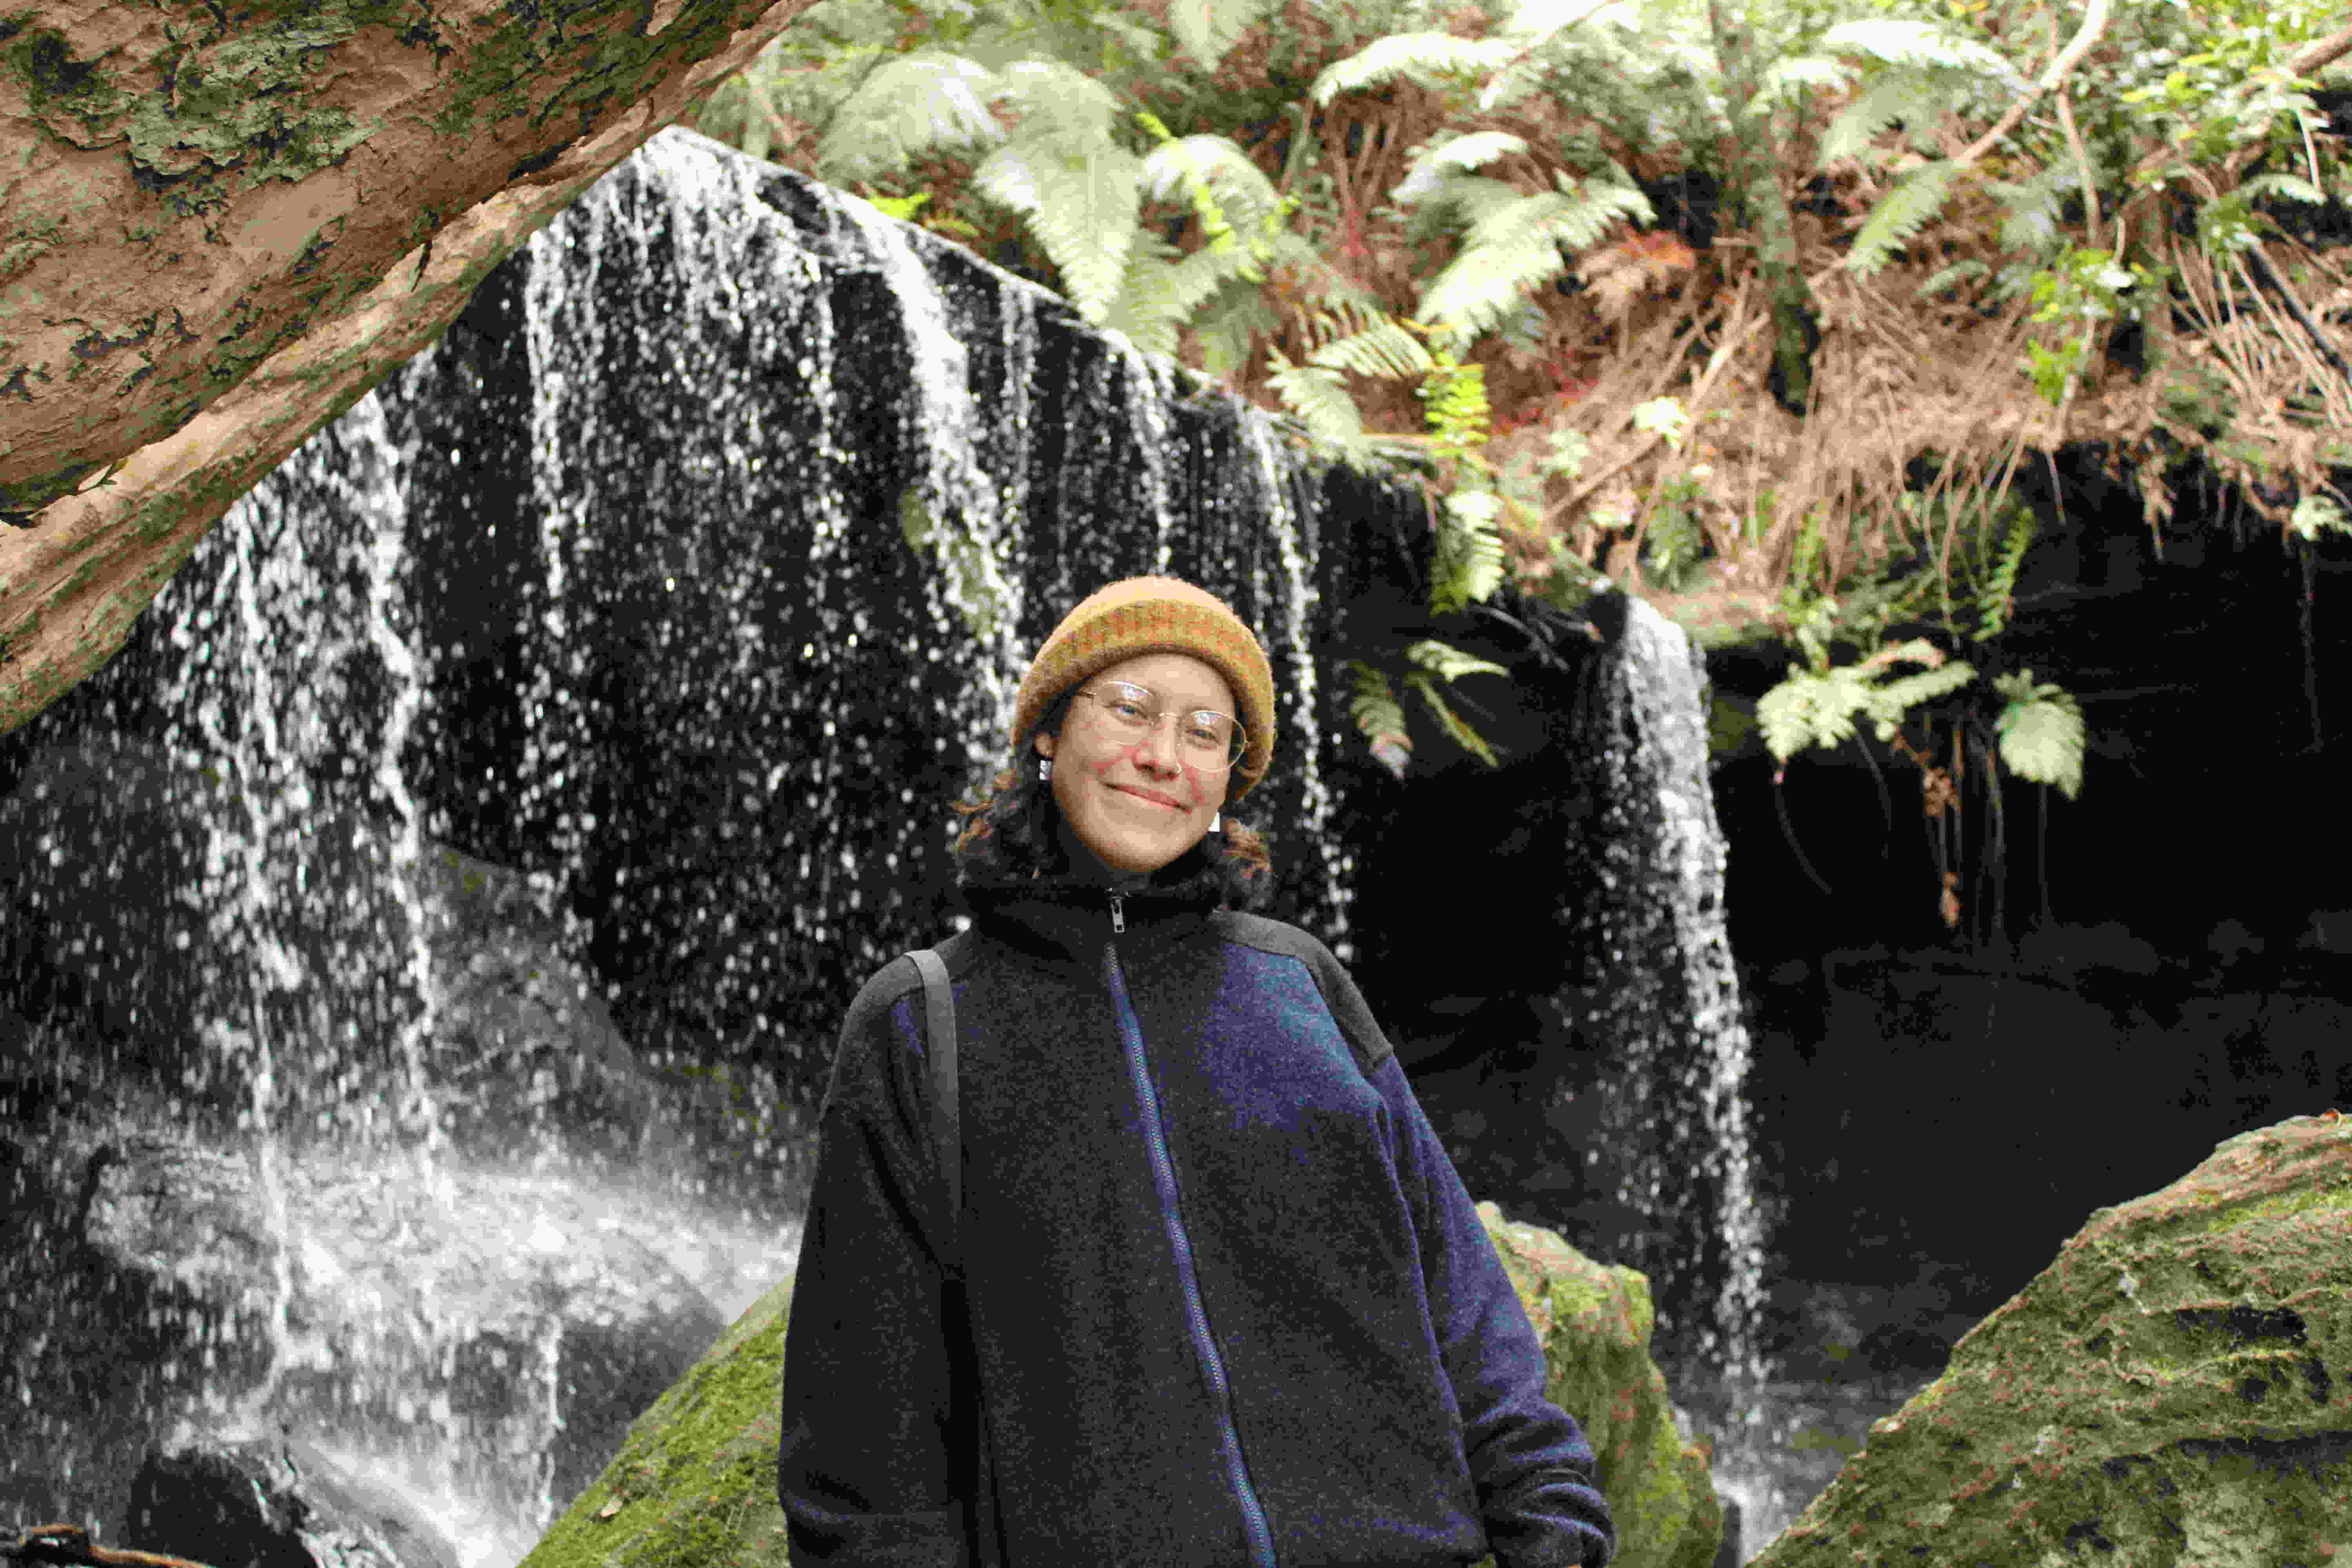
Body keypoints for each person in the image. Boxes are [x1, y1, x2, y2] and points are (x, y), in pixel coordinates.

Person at [777, 575, 1616, 1568]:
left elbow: (1466, 1311)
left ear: (1229, 777)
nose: (1161, 756)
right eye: (1129, 709)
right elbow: (861, 1433)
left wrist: (1555, 1533)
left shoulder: (1301, 985)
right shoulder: (922, 1024)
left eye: (1204, 731)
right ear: (1047, 733)